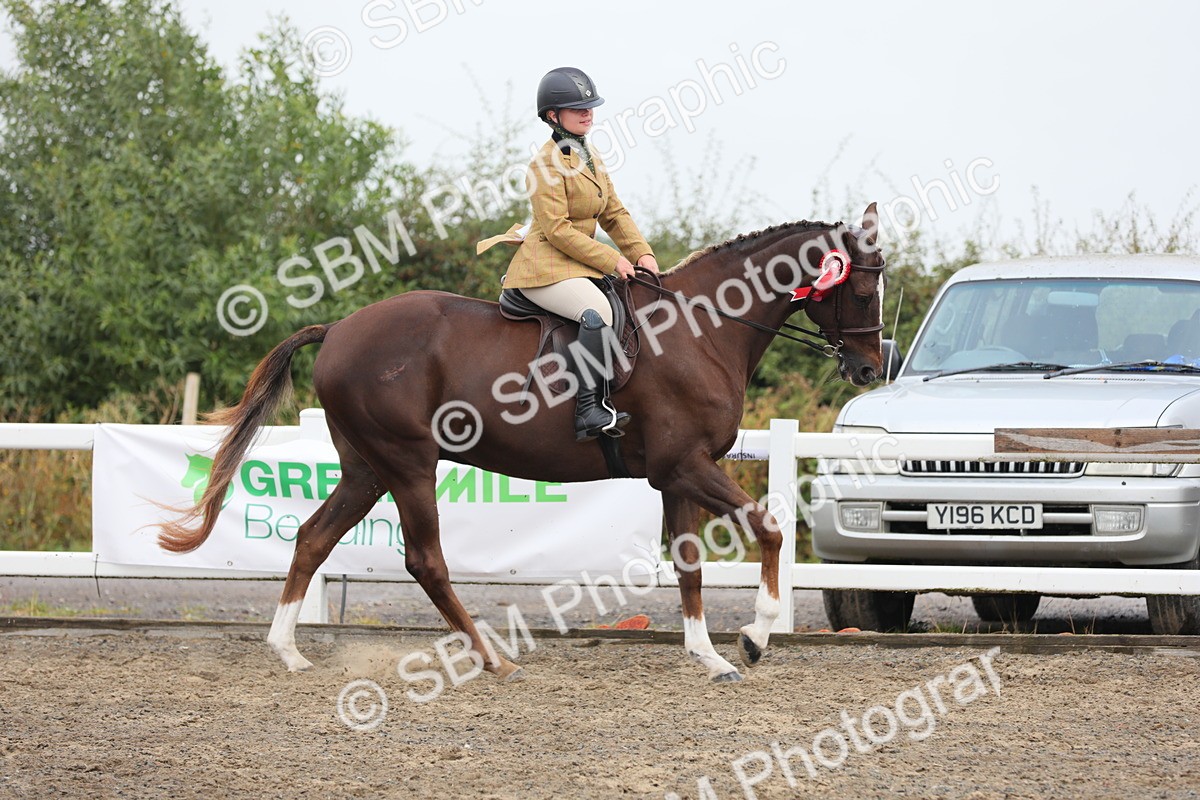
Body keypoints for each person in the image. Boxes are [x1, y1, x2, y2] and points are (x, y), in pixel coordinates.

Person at [499, 67, 659, 441]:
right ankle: (588, 410)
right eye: (577, 108)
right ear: (553, 116)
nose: (587, 113)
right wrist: (612, 260)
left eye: (589, 106)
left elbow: (614, 212)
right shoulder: (544, 165)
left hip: (576, 263)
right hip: (544, 266)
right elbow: (556, 230)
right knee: (598, 312)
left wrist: (642, 254)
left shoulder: (588, 155)